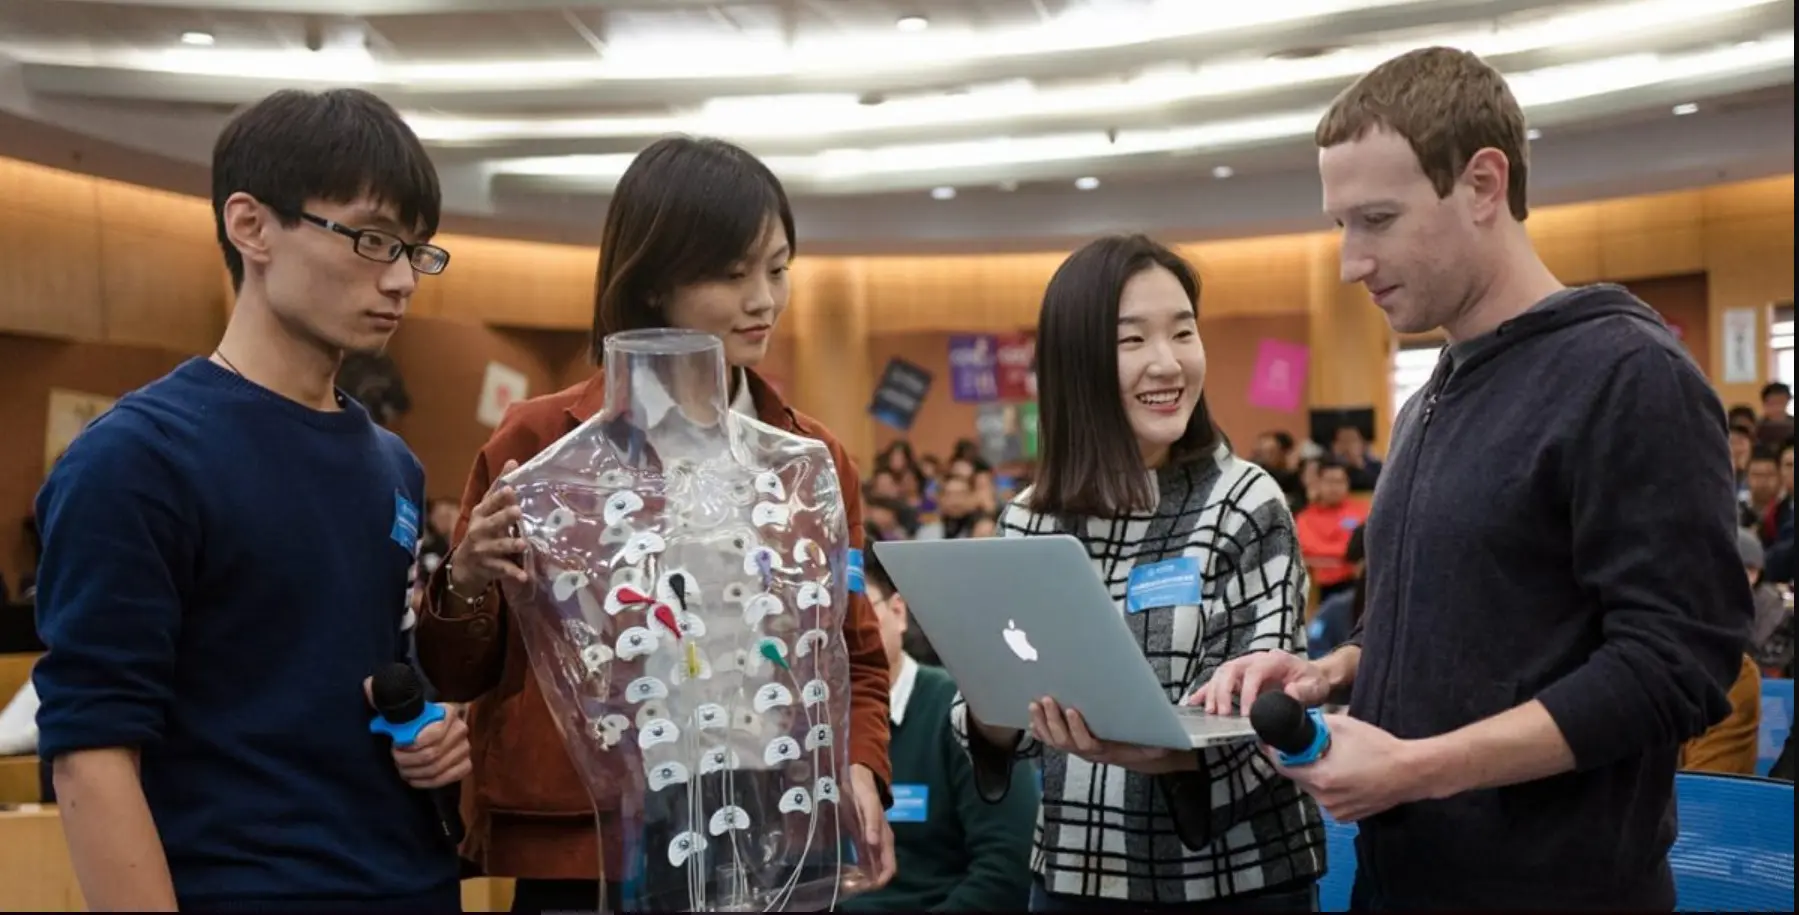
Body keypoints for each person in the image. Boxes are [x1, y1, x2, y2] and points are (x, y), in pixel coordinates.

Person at [1196, 47, 1750, 911]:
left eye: (1375, 218)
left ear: (1484, 184)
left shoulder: (1627, 374)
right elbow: (1471, 626)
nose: (1348, 259)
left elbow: (1675, 664)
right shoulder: (1434, 394)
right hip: (1402, 880)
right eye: (1340, 222)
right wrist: (1335, 668)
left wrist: (1418, 769)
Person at [413, 136, 895, 914]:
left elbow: (853, 651)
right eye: (732, 274)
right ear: (653, 280)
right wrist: (464, 581)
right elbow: (458, 672)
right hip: (587, 844)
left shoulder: (810, 460)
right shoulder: (537, 446)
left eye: (776, 268)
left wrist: (860, 768)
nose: (763, 299)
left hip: (770, 828)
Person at [32, 88, 468, 912]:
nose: (403, 278)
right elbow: (91, 753)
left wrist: (431, 735)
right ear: (251, 225)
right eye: (373, 239)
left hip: (406, 882)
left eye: (417, 249)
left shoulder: (391, 463)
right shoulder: (137, 459)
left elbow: (356, 680)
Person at [958, 235, 1323, 913]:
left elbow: (1269, 716)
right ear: (1077, 364)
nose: (1167, 362)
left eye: (1183, 332)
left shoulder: (1245, 501)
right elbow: (992, 717)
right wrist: (996, 711)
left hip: (1233, 879)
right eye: (1132, 341)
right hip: (1074, 875)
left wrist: (1153, 748)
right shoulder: (1028, 519)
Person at [840, 548, 1037, 912]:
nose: (843, 636)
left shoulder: (962, 710)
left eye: (857, 614)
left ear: (898, 612)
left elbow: (1007, 866)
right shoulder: (812, 729)